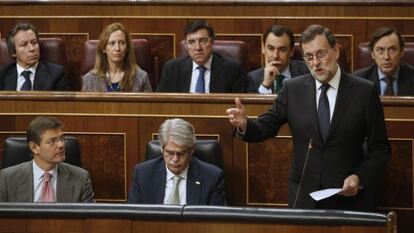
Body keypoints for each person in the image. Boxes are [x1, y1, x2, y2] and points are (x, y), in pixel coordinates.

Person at [226, 24, 391, 211]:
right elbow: (266, 126)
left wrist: (359, 178)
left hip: (349, 197)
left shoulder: (364, 91)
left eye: (321, 54)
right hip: (304, 196)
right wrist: (244, 124)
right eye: (309, 57)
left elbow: (380, 149)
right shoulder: (293, 89)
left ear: (336, 51)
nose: (315, 63)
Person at [128, 118, 226, 205]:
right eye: (169, 153)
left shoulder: (212, 177)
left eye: (181, 153)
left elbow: (217, 222)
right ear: (162, 149)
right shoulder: (143, 174)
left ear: (191, 150)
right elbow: (131, 216)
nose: (175, 159)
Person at [0, 116, 95, 202]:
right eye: (52, 141)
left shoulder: (81, 178)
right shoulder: (7, 179)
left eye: (61, 139)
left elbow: (90, 219)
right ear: (34, 148)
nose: (61, 145)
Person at [156, 20, 246, 93]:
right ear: (186, 45)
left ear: (212, 42)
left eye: (203, 41)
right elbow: (161, 104)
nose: (198, 48)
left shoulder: (232, 69)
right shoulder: (172, 69)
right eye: (191, 42)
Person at [82, 22, 152, 92]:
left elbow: (150, 103)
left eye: (122, 43)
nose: (117, 48)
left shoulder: (141, 77)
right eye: (112, 43)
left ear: (127, 48)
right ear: (103, 48)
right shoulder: (90, 79)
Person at [0, 23, 69, 91]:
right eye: (24, 45)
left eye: (34, 42)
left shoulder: (56, 74)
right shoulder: (2, 74)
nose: (32, 48)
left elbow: (62, 102)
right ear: (13, 52)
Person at [247, 25, 309, 94]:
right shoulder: (253, 78)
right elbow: (252, 104)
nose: (275, 56)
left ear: (291, 51)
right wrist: (265, 85)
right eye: (271, 48)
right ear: (263, 48)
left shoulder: (307, 71)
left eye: (282, 49)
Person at [353, 27, 414, 96]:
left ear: (402, 52)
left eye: (392, 50)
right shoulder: (358, 80)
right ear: (372, 54)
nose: (386, 57)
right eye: (380, 50)